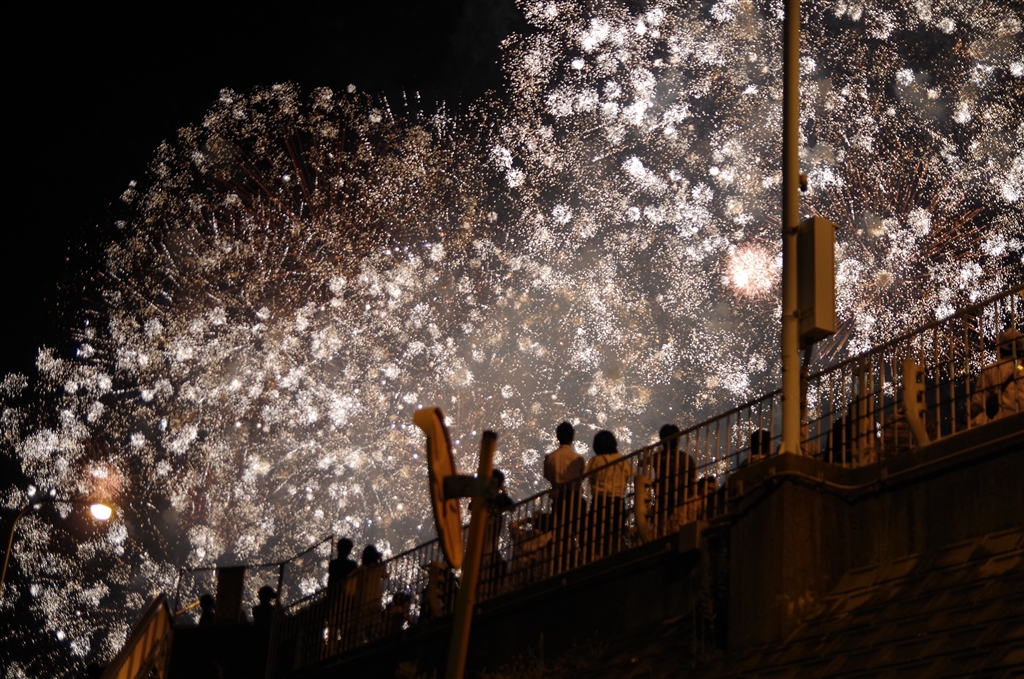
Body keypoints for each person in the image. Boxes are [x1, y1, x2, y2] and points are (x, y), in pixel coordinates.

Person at [544, 421, 585, 571]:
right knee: (581, 530)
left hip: (559, 499)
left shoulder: (550, 458)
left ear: (557, 437)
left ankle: (561, 564)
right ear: (572, 437)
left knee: (561, 533)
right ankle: (582, 558)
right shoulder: (578, 459)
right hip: (575, 498)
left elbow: (547, 476)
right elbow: (582, 476)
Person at [585, 430, 630, 558]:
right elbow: (629, 474)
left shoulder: (595, 461)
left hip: (599, 501)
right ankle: (616, 555)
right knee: (616, 532)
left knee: (597, 533)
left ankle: (597, 557)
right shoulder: (621, 460)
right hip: (618, 501)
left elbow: (584, 474)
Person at [970, 328, 1024, 426]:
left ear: (1000, 350)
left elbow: (977, 403)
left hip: (1002, 422)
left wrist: (965, 421)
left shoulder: (990, 370)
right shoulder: (1021, 368)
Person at [352, 545, 387, 643]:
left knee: (362, 626)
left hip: (363, 601)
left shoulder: (361, 570)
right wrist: (381, 561)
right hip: (375, 601)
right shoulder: (378, 568)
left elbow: (350, 577)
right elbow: (385, 575)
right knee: (374, 626)